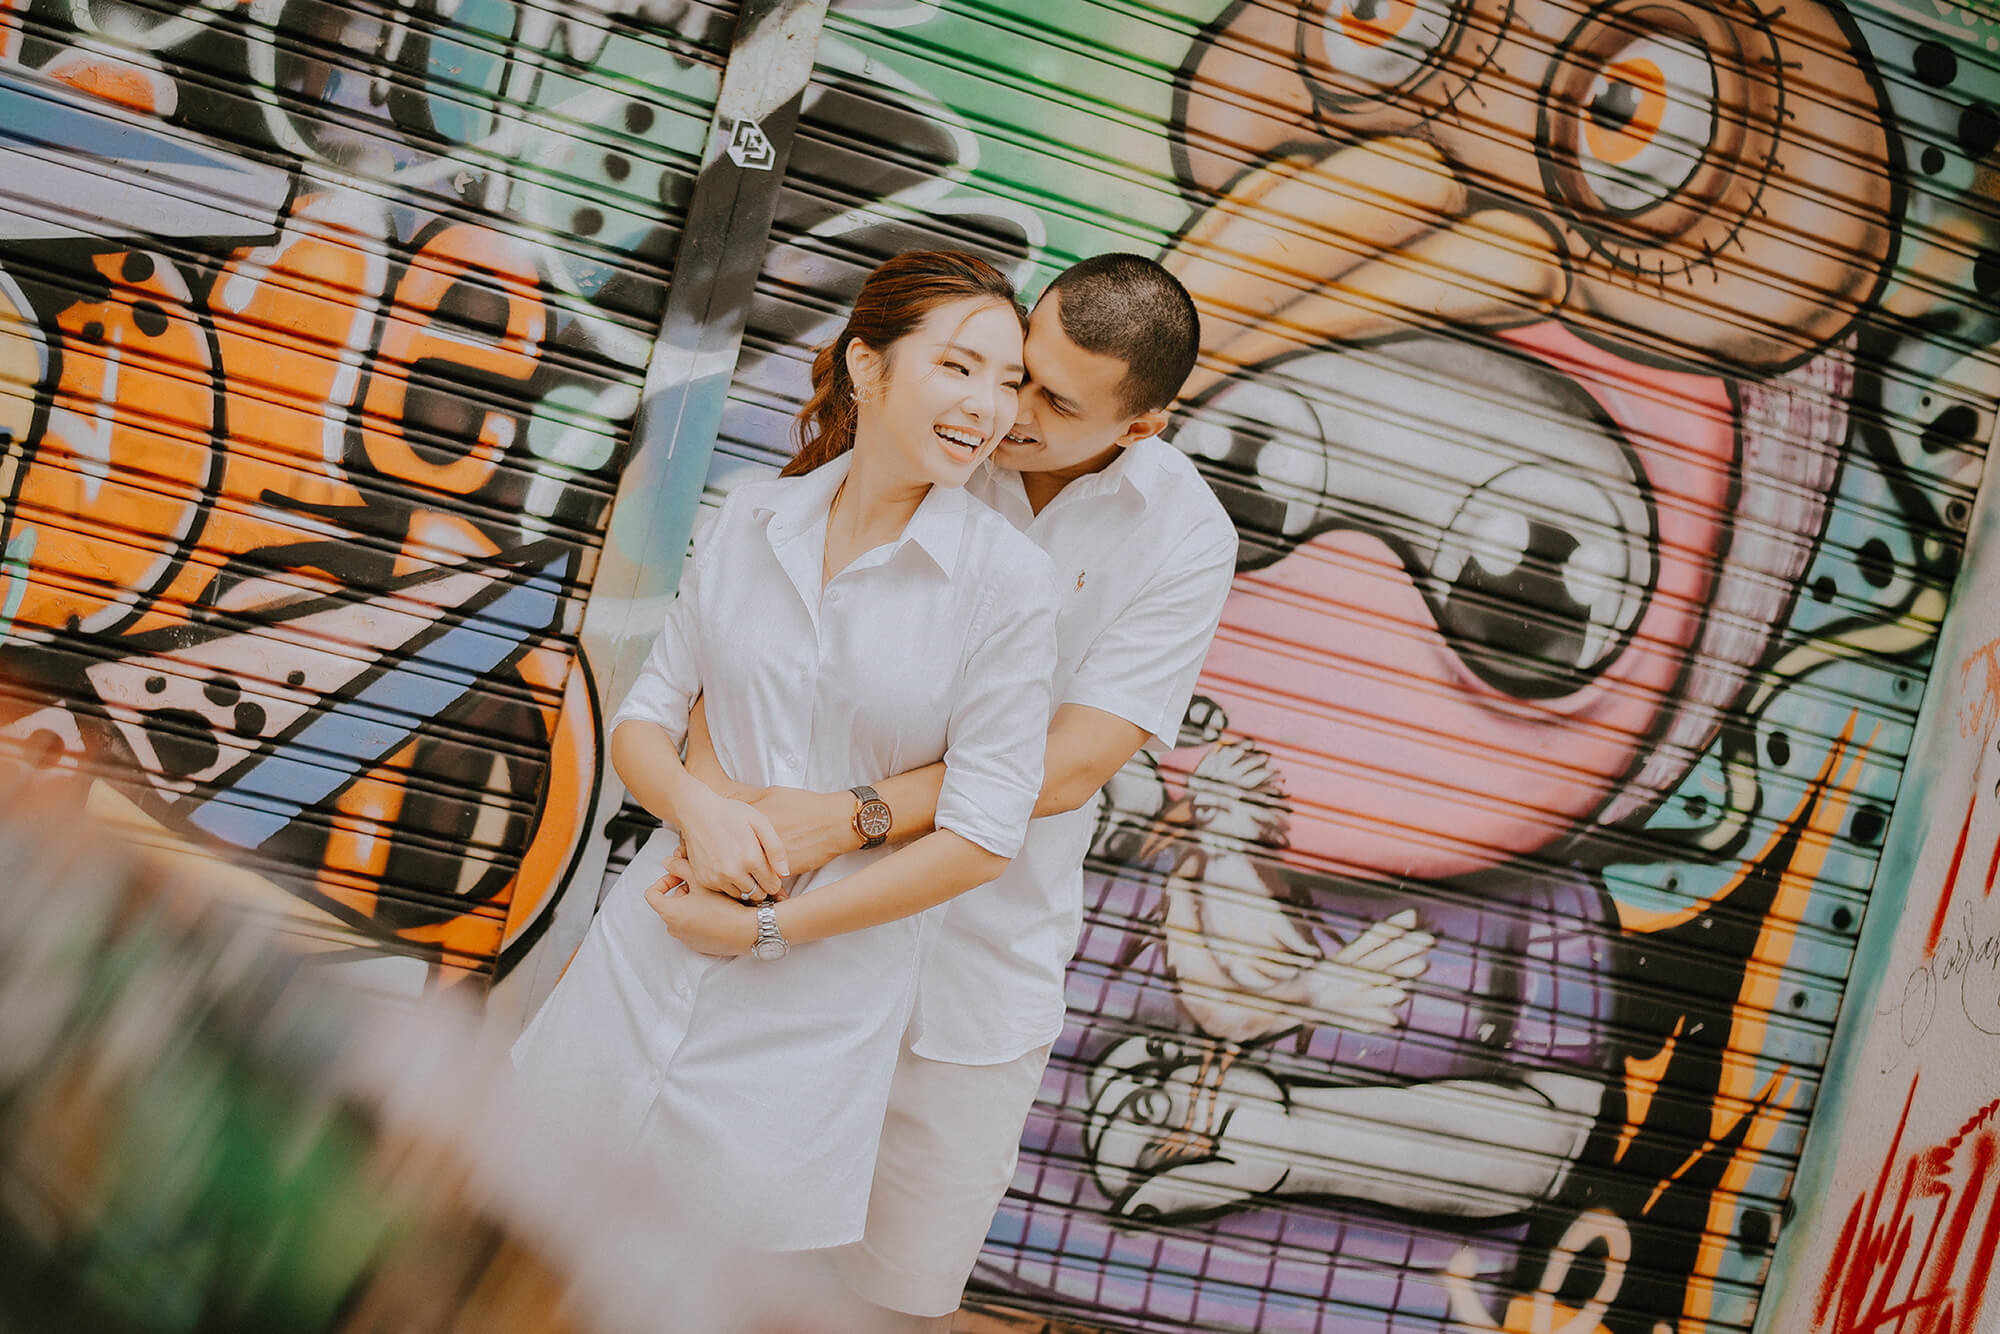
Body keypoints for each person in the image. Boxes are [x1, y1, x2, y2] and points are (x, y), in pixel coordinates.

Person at [664, 254, 1239, 1329]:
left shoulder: (1185, 534)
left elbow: (1068, 767)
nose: (1006, 407)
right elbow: (743, 637)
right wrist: (725, 822)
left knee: (896, 1293)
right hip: (786, 919)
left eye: (1055, 402)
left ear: (1140, 426)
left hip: (977, 961)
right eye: (1020, 365)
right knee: (696, 1258)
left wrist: (851, 814)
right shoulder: (932, 426)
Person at [507, 251, 1059, 1318]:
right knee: (521, 1257)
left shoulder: (1006, 583)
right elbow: (645, 717)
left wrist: (770, 934)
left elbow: (981, 834)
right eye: (959, 367)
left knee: (686, 1299)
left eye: (1007, 382)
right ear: (868, 363)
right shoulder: (757, 512)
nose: (988, 406)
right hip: (646, 945)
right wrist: (698, 809)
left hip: (809, 1012)